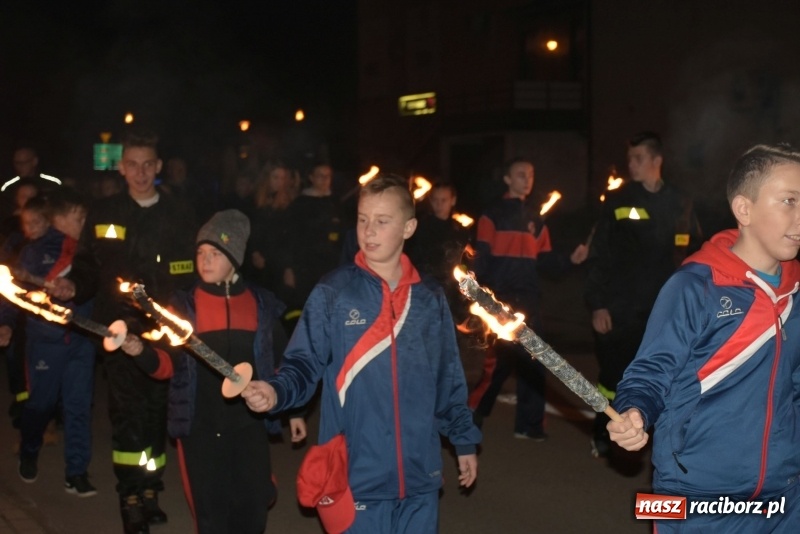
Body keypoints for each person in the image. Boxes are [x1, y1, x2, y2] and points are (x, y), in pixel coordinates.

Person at [241, 173, 481, 534]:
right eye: (362, 220)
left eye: (382, 222)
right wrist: (276, 391)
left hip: (421, 477)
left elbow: (447, 375)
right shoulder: (334, 292)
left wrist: (463, 440)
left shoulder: (429, 298)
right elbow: (303, 363)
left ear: (409, 227)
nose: (368, 231)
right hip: (357, 476)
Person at [608, 143, 800, 532]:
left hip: (785, 494)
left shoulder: (795, 292)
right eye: (788, 201)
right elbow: (650, 373)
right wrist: (635, 411)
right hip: (696, 494)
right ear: (744, 209)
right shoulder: (695, 287)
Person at [119, 209, 306, 534]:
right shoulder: (183, 308)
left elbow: (283, 362)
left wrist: (295, 412)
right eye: (200, 253)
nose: (204, 260)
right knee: (212, 516)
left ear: (235, 258)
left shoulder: (260, 305)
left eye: (215, 253)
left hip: (250, 427)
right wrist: (141, 353)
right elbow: (166, 366)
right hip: (201, 429)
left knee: (253, 509)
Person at [50, 130, 198, 534]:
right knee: (128, 416)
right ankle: (129, 496)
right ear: (120, 167)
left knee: (156, 415)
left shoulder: (180, 213)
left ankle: (150, 490)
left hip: (164, 335)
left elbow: (192, 271)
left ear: (159, 167)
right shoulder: (104, 212)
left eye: (148, 164)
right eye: (132, 164)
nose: (140, 172)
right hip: (117, 335)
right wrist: (72, 286)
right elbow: (86, 267)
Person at [584, 132, 702, 458]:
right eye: (630, 158)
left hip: (665, 308)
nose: (632, 164)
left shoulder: (680, 201)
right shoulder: (620, 201)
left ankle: (662, 442)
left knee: (668, 375)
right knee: (613, 377)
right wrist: (598, 304)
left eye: (638, 158)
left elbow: (694, 252)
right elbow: (601, 254)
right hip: (621, 307)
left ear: (656, 160)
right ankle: (603, 435)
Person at [469, 157, 587, 441]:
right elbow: (481, 255)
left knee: (536, 361)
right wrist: (472, 285)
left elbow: (544, 260)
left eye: (530, 174)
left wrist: (569, 260)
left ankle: (529, 425)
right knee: (496, 366)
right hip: (501, 299)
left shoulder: (535, 219)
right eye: (520, 174)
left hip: (530, 299)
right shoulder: (492, 214)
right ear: (507, 179)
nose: (527, 179)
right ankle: (470, 420)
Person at [0, 190, 96, 495]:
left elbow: (93, 282)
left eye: (84, 216)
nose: (82, 222)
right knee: (40, 405)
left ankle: (77, 472)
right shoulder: (35, 252)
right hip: (46, 342)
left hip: (82, 341)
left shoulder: (85, 249)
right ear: (59, 218)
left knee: (78, 407)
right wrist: (5, 322)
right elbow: (15, 290)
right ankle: (29, 451)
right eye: (76, 217)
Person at [285, 162, 343, 332]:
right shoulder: (301, 203)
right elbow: (292, 237)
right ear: (311, 177)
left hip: (331, 265)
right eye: (320, 175)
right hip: (305, 267)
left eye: (328, 176)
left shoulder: (336, 202)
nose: (325, 180)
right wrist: (289, 268)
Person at [406, 182, 471, 319]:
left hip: (453, 292)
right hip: (426, 288)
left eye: (443, 200)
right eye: (435, 200)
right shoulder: (419, 227)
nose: (439, 204)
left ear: (452, 200)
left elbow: (464, 261)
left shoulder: (459, 231)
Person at [1, 147, 61, 219]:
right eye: (17, 163)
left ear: (34, 161)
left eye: (24, 162)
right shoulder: (8, 187)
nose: (20, 166)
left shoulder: (52, 183)